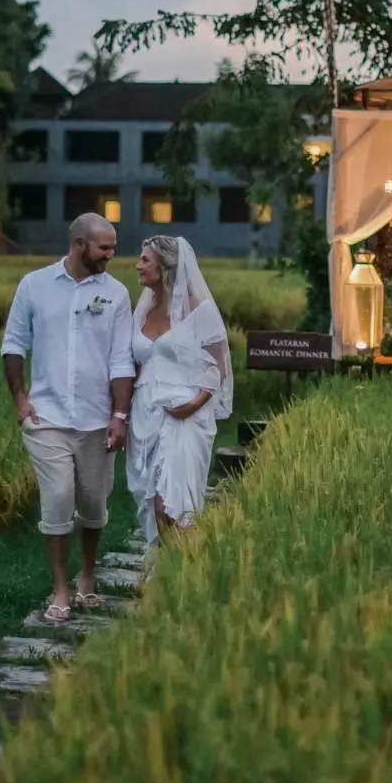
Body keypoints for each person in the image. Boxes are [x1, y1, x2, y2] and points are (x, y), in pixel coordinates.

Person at [1, 213, 135, 624]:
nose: (112, 255)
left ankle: (87, 576)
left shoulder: (116, 294)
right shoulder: (34, 285)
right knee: (58, 497)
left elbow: (120, 360)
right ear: (79, 244)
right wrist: (21, 399)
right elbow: (13, 344)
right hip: (48, 418)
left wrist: (119, 415)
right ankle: (60, 588)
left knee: (93, 503)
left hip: (97, 421)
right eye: (105, 248)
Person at [128, 234, 232, 548]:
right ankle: (168, 576)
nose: (138, 266)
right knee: (152, 502)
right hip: (146, 415)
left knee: (170, 504)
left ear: (165, 267)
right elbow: (136, 364)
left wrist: (194, 403)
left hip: (185, 417)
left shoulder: (199, 310)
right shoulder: (143, 311)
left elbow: (219, 368)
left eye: (145, 260)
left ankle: (183, 569)